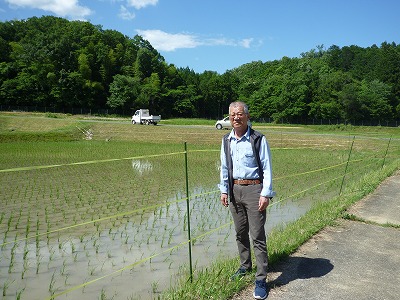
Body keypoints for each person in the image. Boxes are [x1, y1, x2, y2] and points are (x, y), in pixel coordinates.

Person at [219, 101, 275, 300]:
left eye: (240, 114)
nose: (236, 117)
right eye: (232, 114)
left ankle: (261, 279)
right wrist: (224, 190)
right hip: (235, 189)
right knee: (240, 232)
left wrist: (265, 193)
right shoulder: (226, 140)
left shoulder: (258, 139)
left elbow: (267, 167)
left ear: (247, 116)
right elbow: (224, 167)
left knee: (257, 235)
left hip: (254, 189)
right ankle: (245, 266)